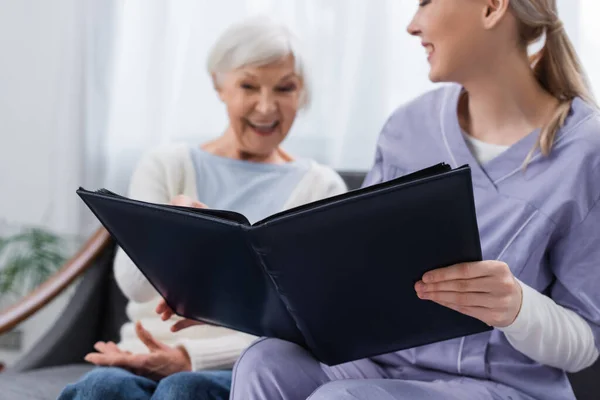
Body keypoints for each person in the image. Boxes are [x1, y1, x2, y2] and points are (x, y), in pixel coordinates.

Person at [226, 1, 600, 399]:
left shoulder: (585, 151)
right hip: (381, 365)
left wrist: (518, 306)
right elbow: (355, 275)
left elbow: (585, 347)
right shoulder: (406, 127)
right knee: (263, 363)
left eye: (425, 2)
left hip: (501, 387)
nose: (412, 25)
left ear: (492, 8)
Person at [58, 16, 346, 400]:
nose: (266, 107)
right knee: (102, 388)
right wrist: (171, 229)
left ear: (302, 93)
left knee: (184, 389)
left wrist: (192, 356)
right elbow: (135, 286)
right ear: (218, 84)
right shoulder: (165, 165)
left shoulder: (322, 188)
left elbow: (313, 321)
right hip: (140, 353)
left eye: (285, 88)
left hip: (246, 368)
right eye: (248, 85)